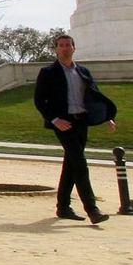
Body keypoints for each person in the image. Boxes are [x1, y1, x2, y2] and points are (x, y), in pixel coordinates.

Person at [33, 34, 117, 225]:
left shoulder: (83, 72)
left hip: (81, 122)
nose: (65, 48)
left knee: (71, 163)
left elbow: (95, 96)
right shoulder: (48, 72)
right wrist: (55, 120)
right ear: (55, 49)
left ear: (74, 48)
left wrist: (107, 117)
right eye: (61, 45)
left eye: (68, 45)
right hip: (63, 123)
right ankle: (92, 210)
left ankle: (63, 207)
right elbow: (39, 101)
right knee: (79, 163)